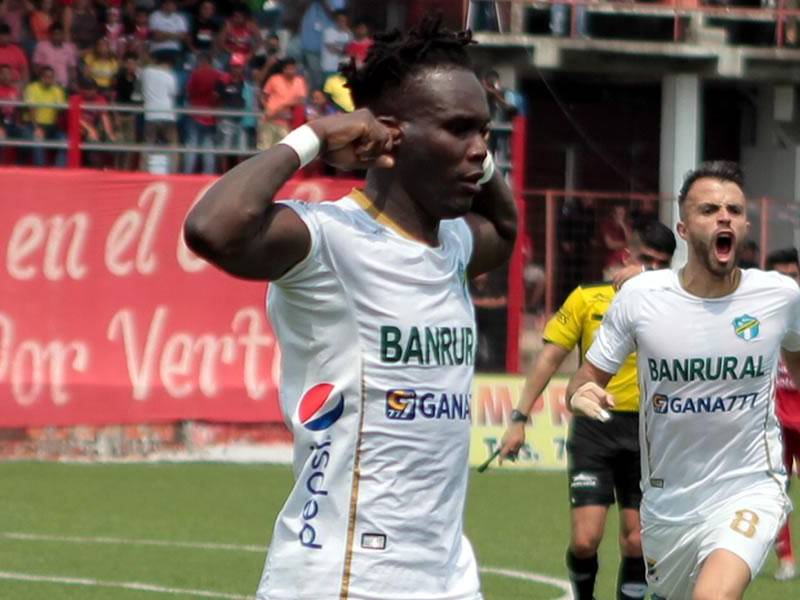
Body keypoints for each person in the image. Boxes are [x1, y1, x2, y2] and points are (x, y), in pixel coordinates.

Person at [183, 17, 517, 600]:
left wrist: (480, 162)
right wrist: (314, 135)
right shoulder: (329, 241)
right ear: (390, 137)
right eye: (459, 130)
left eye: (484, 134)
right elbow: (211, 229)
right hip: (344, 574)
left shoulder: (456, 245)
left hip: (447, 576)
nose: (479, 151)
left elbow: (507, 227)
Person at [565, 160, 800, 600]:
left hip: (749, 487)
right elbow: (582, 381)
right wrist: (580, 395)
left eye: (733, 208)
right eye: (709, 209)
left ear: (746, 223)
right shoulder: (641, 298)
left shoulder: (780, 296)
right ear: (684, 228)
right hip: (668, 506)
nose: (723, 216)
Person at [499, 220, 676, 600]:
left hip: (649, 434)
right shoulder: (587, 298)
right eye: (647, 260)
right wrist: (518, 419)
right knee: (585, 539)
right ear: (626, 256)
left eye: (663, 264)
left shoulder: (675, 304)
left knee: (637, 542)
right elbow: (548, 360)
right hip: (595, 428)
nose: (655, 270)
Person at [766, 247, 800, 581]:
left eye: (792, 274)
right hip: (774, 419)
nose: (788, 282)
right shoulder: (758, 316)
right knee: (776, 492)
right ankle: (786, 558)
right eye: (780, 276)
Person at [140, 52, 178, 172]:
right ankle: (174, 171)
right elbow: (173, 93)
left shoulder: (146, 72)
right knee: (172, 144)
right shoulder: (170, 75)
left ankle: (143, 170)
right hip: (167, 115)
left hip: (150, 115)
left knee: (148, 144)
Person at [183, 52, 220, 174]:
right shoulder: (218, 75)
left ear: (202, 61)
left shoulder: (195, 74)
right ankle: (208, 174)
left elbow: (189, 92)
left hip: (195, 114)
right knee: (208, 147)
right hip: (210, 116)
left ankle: (188, 173)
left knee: (192, 146)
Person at [259, 57, 306, 149]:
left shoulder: (299, 81)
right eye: (288, 68)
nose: (291, 71)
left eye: (293, 68)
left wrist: (284, 105)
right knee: (265, 150)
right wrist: (267, 110)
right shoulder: (274, 79)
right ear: (283, 69)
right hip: (269, 120)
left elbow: (301, 100)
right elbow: (263, 96)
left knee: (284, 150)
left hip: (286, 122)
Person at [23, 65, 66, 167]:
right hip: (33, 125)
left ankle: (59, 171)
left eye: (51, 77)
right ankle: (40, 169)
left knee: (64, 140)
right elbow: (31, 110)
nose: (48, 79)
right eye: (46, 77)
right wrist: (37, 128)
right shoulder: (32, 88)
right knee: (38, 138)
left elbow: (60, 111)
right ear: (40, 77)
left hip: (51, 126)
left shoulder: (57, 90)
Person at [321, 9, 350, 80]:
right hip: (329, 68)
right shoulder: (328, 32)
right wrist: (344, 51)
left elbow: (351, 47)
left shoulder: (349, 34)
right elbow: (331, 48)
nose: (341, 23)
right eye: (339, 20)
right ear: (336, 21)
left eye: (343, 21)